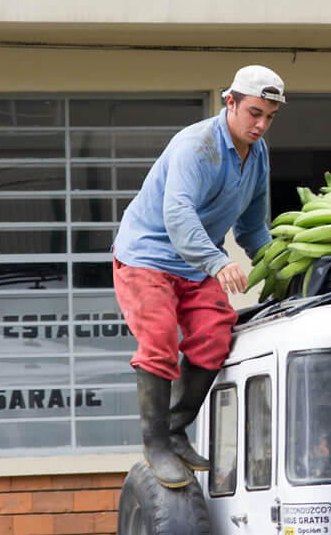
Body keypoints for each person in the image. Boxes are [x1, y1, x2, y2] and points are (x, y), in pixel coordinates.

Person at [112, 65, 284, 488]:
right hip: (147, 257)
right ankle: (154, 446)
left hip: (195, 262)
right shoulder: (197, 145)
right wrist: (218, 262)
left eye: (270, 116)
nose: (261, 124)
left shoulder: (257, 155)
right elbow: (178, 214)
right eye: (255, 113)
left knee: (214, 336)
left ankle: (174, 429)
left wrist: (281, 265)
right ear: (231, 102)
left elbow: (252, 229)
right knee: (159, 342)